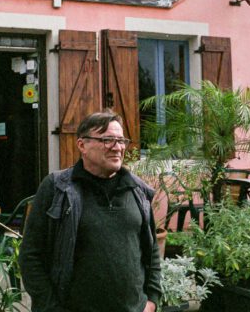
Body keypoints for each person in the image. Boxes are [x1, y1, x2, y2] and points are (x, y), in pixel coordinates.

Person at [19, 111, 161, 312]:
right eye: (107, 140)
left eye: (121, 140)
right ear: (82, 145)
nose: (117, 147)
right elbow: (30, 256)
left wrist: (152, 300)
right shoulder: (57, 188)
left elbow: (152, 248)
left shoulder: (138, 190)